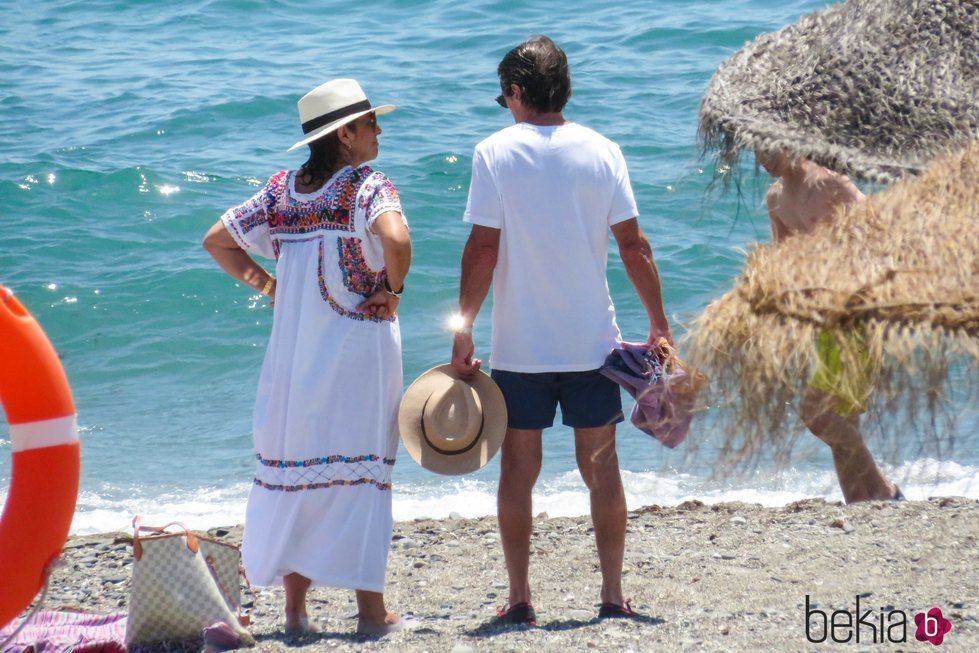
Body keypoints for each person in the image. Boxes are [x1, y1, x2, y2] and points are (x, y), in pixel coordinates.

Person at [450, 35, 672, 624]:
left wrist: (463, 328)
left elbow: (482, 250)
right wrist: (658, 324)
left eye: (506, 97)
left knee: (518, 470)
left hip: (520, 349)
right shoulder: (604, 152)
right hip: (591, 345)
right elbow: (634, 246)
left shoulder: (493, 153)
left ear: (517, 92)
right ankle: (612, 595)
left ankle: (520, 596)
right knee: (601, 469)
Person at [203, 78, 412, 636]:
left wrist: (271, 287)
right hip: (358, 350)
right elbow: (397, 240)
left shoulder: (280, 191)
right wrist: (392, 291)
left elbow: (217, 240)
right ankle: (370, 613)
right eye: (370, 122)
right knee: (364, 471)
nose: (379, 130)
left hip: (293, 358)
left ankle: (295, 615)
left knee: (298, 472)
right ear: (345, 134)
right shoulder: (367, 186)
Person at [757, 149, 902, 503]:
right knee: (843, 416)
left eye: (769, 144)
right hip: (824, 317)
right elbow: (782, 259)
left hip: (858, 310)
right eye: (756, 148)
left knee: (816, 411)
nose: (763, 155)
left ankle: (884, 490)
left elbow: (877, 225)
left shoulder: (830, 183)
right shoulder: (776, 198)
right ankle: (861, 502)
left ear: (790, 139)